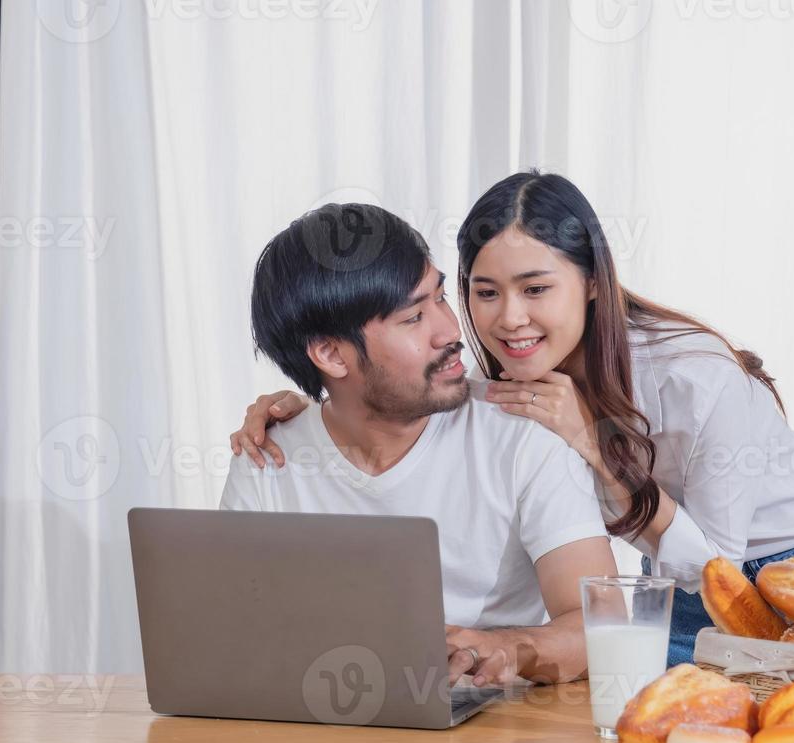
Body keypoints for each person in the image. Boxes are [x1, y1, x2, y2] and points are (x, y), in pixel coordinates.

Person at [230, 172, 794, 666]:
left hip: (791, 559)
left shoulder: (695, 379)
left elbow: (716, 572)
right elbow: (404, 395)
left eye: (537, 289)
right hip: (677, 577)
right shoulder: (511, 381)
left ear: (593, 282)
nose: (507, 319)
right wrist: (310, 404)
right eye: (484, 293)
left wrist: (594, 451)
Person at [220, 201, 618, 688]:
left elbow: (604, 628)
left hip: (493, 738)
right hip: (322, 736)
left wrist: (508, 648)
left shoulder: (524, 433)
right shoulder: (268, 458)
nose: (451, 331)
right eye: (412, 318)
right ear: (328, 353)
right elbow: (233, 641)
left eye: (441, 298)